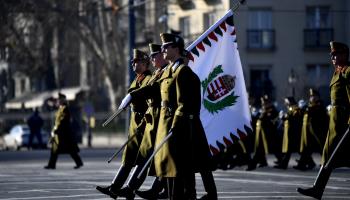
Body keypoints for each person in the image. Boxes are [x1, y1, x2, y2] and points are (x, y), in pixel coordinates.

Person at [96, 49, 152, 199]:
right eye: (132, 62)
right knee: (128, 159)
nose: (134, 64)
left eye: (137, 61)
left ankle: (130, 190)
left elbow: (150, 101)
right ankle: (114, 188)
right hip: (134, 125)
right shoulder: (136, 80)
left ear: (146, 63)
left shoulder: (149, 79)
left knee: (142, 161)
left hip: (145, 125)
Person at [297, 41, 350, 199]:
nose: (332, 57)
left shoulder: (348, 71)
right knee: (328, 154)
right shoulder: (337, 72)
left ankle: (317, 188)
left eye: (335, 54)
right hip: (335, 121)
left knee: (336, 155)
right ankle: (317, 189)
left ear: (344, 55)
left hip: (344, 121)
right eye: (331, 55)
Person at [116, 43, 169, 199]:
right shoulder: (157, 74)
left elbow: (150, 94)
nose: (134, 64)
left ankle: (140, 189)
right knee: (149, 157)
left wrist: (133, 98)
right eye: (151, 56)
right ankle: (124, 187)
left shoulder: (158, 75)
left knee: (161, 157)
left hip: (157, 120)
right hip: (149, 121)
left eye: (155, 55)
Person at [44, 93, 83, 169]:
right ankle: (51, 165)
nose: (58, 101)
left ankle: (79, 162)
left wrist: (57, 129)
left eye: (59, 100)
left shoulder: (65, 109)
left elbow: (63, 121)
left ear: (62, 101)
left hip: (64, 133)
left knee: (70, 150)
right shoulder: (61, 108)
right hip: (60, 132)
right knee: (55, 149)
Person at [293, 89, 329, 171]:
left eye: (313, 96)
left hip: (318, 130)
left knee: (321, 148)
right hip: (309, 130)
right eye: (311, 96)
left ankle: (326, 162)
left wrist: (307, 108)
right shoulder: (309, 105)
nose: (311, 98)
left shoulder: (319, 104)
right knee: (306, 148)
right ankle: (302, 164)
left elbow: (316, 114)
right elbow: (300, 114)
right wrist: (300, 109)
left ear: (317, 97)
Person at [247, 95, 281, 171]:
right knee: (262, 149)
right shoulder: (263, 110)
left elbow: (272, 122)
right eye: (263, 103)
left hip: (268, 134)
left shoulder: (272, 111)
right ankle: (263, 162)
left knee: (267, 149)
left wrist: (263, 117)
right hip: (261, 134)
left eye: (265, 103)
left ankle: (253, 165)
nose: (263, 104)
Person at [274, 96, 303, 169]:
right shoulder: (290, 108)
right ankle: (306, 162)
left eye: (286, 101)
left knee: (293, 148)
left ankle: (284, 164)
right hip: (289, 131)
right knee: (290, 149)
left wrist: (285, 116)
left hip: (293, 131)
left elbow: (295, 118)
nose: (285, 103)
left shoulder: (295, 108)